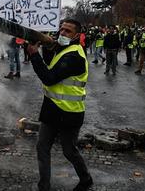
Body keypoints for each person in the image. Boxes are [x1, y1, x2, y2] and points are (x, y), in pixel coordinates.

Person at [27, 18, 92, 191]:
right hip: (52, 109)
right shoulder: (64, 49)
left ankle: (86, 179)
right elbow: (51, 62)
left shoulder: (75, 55)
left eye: (68, 31)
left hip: (70, 113)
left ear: (77, 35)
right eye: (61, 29)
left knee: (69, 151)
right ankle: (44, 186)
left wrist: (34, 55)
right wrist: (47, 48)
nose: (62, 33)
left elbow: (49, 78)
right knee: (42, 147)